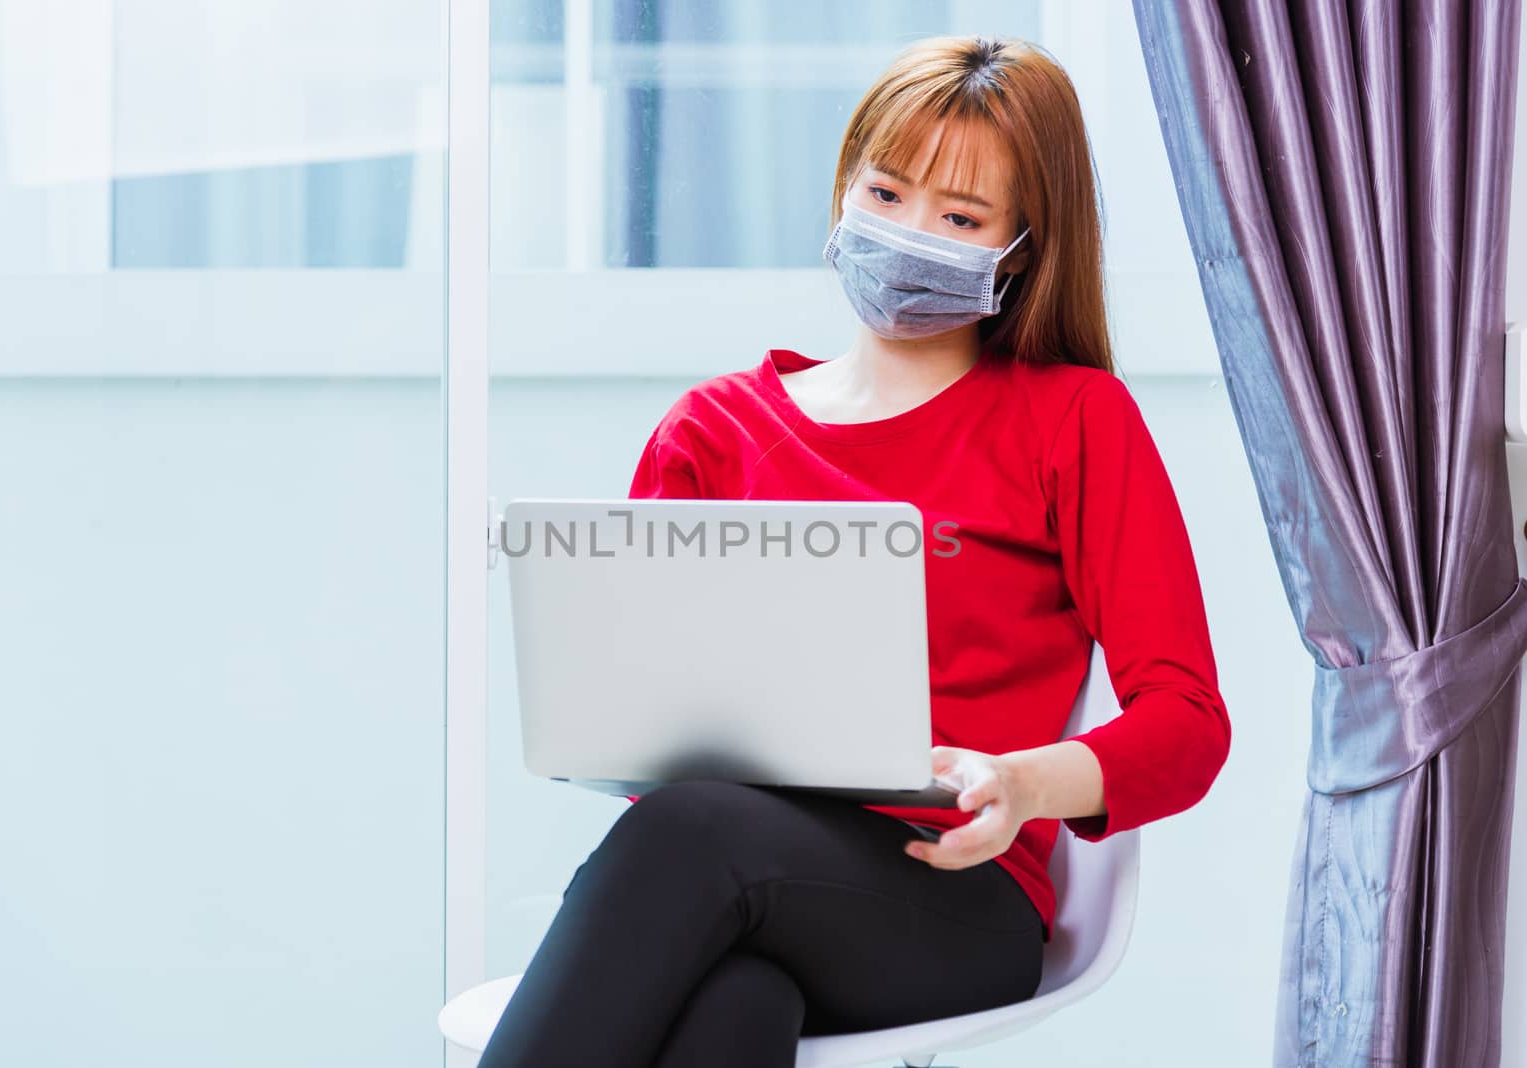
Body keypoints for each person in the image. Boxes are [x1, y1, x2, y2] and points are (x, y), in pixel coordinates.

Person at [477, 33, 1231, 1068]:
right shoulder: (710, 429)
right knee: (734, 1008)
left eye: (960, 218)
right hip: (736, 875)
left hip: (951, 892)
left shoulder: (1071, 421)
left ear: (1020, 250)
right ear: (843, 190)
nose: (910, 233)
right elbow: (639, 721)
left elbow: (1185, 721)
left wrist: (1023, 785)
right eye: (885, 193)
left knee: (693, 838)